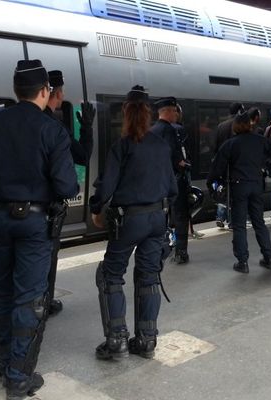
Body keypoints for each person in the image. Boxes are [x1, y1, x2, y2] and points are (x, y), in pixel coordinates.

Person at [0, 59, 78, 399]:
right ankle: (18, 376)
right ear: (45, 92)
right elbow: (67, 186)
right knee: (29, 297)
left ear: (15, 90)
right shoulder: (51, 129)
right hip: (33, 224)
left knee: (1, 292)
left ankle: (6, 362)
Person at [89, 85, 177, 360]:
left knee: (110, 275)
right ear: (149, 114)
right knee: (149, 276)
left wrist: (96, 209)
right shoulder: (162, 146)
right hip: (157, 219)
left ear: (126, 114)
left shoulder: (122, 146)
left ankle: (116, 341)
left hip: (129, 220)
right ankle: (147, 341)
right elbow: (172, 187)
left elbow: (106, 186)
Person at [207, 110, 271, 273]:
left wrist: (212, 184)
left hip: (238, 186)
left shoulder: (230, 144)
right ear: (250, 125)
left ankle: (242, 262)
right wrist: (267, 167)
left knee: (239, 225)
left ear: (235, 126)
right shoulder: (261, 140)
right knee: (259, 222)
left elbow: (217, 168)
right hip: (257, 185)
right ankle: (268, 257)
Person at [43, 69, 96, 316]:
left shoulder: (3, 120)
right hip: (44, 209)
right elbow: (83, 157)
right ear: (55, 93)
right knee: (45, 257)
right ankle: (44, 301)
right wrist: (86, 128)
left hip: (3, 211)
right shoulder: (55, 126)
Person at [152, 97, 191, 264]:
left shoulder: (152, 130)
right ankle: (181, 251)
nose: (177, 114)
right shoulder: (171, 130)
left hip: (156, 182)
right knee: (180, 215)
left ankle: (160, 248)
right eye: (174, 111)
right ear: (167, 111)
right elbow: (173, 155)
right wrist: (182, 164)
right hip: (174, 181)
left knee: (160, 217)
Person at [213, 102, 244, 228]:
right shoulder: (239, 126)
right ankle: (232, 222)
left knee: (223, 190)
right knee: (236, 193)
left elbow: (215, 146)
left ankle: (220, 216)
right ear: (239, 112)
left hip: (223, 164)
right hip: (236, 165)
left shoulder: (221, 126)